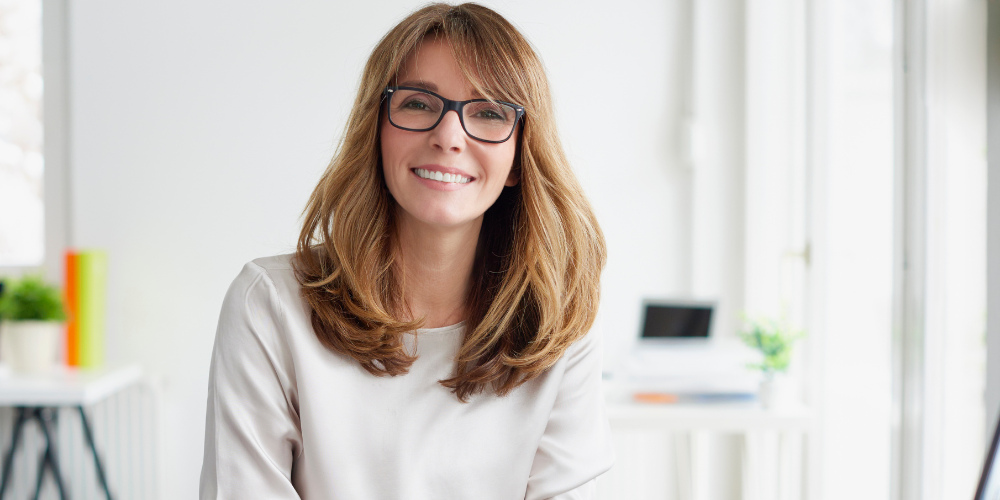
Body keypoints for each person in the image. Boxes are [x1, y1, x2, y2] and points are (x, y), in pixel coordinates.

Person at [200, 3, 613, 499]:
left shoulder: (558, 327)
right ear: (376, 129)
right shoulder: (269, 305)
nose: (448, 137)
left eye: (487, 113)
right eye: (418, 103)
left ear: (519, 159)